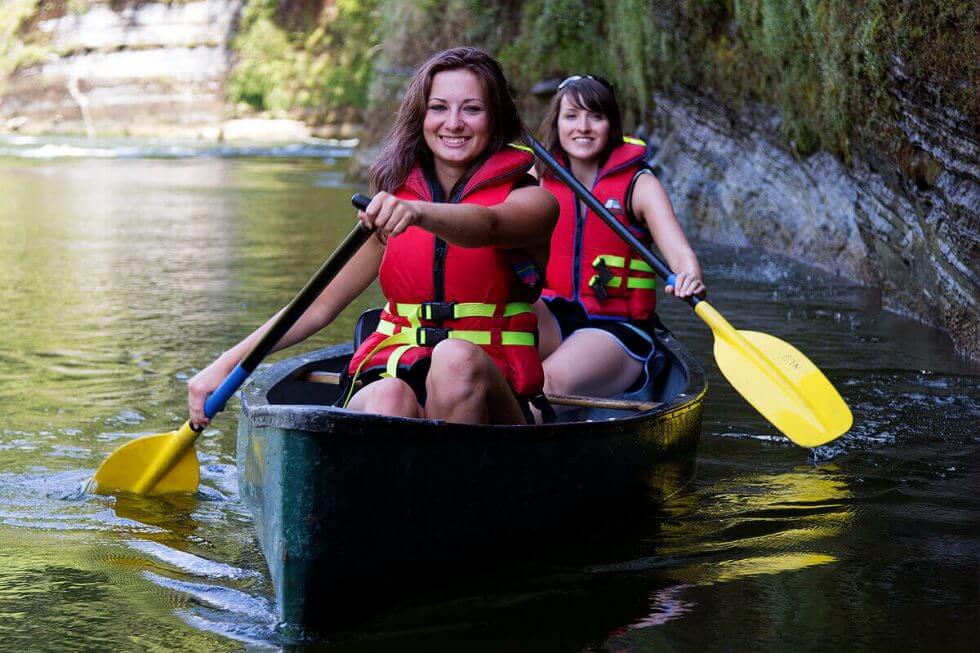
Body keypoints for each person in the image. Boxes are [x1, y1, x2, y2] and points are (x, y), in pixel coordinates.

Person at [188, 47, 557, 427]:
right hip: (402, 372)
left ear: (495, 118)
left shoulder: (533, 201)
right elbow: (316, 306)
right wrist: (224, 365)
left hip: (493, 401)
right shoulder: (395, 207)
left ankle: (445, 478)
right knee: (387, 393)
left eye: (472, 109)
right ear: (421, 117)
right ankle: (394, 477)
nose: (454, 123)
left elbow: (489, 225)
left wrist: (417, 213)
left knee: (453, 358)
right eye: (439, 108)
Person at [532, 74, 706, 405]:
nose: (582, 126)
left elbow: (680, 254)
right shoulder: (538, 177)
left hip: (615, 328)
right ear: (556, 123)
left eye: (595, 116)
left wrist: (689, 277)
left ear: (612, 125)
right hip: (554, 314)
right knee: (493, 338)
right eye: (571, 116)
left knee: (544, 384)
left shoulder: (640, 186)